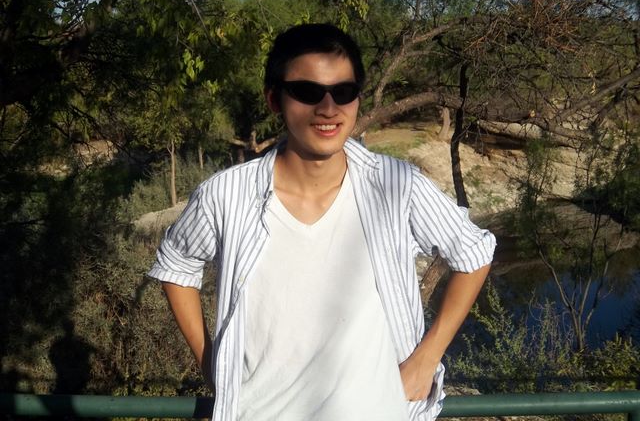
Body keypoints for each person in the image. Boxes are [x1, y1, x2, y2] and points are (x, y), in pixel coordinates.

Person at [148, 23, 495, 421]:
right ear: (275, 99)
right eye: (307, 92)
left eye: (343, 92)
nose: (328, 108)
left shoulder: (397, 186)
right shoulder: (225, 196)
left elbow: (474, 252)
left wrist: (426, 358)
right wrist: (211, 365)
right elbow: (176, 266)